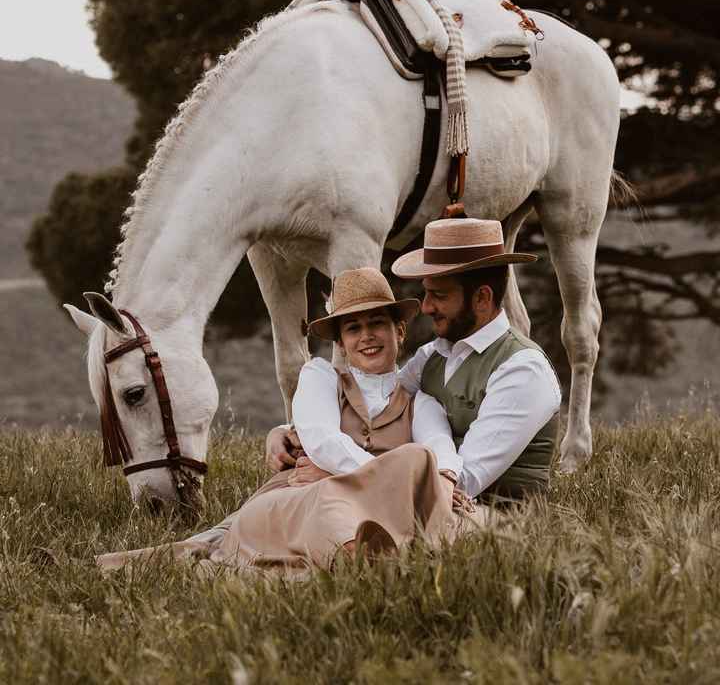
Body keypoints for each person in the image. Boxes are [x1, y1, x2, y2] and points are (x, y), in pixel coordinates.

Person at [97, 267, 475, 574]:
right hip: (298, 497)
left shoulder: (422, 405)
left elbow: (440, 459)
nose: (367, 337)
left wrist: (362, 478)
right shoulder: (321, 377)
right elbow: (321, 439)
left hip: (371, 505)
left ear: (399, 331)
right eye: (353, 328)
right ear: (341, 343)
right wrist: (387, 479)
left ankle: (367, 558)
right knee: (327, 499)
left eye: (377, 324)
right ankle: (366, 561)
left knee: (414, 460)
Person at [268, 218, 561, 505]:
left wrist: (334, 478)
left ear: (482, 298)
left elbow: (460, 481)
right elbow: (377, 399)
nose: (427, 306)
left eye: (439, 295)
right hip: (410, 500)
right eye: (426, 293)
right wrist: (287, 431)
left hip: (488, 517)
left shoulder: (523, 370)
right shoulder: (434, 356)